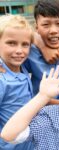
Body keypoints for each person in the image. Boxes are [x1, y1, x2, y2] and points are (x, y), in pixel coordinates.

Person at [0, 15, 34, 150]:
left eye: (25, 44)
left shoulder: (22, 68)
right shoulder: (2, 79)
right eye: (11, 43)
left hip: (28, 143)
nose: (19, 51)